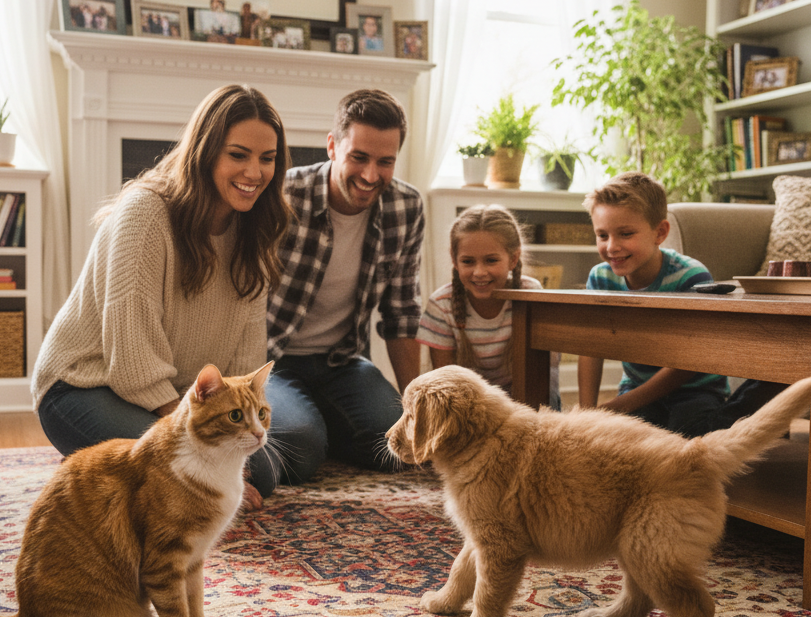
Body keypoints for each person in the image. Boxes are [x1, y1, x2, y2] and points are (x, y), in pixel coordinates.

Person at [31, 84, 291, 508]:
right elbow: (131, 360)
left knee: (262, 472)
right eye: (238, 155)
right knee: (191, 478)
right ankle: (90, 464)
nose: (254, 173)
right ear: (207, 152)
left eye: (267, 159)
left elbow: (245, 362)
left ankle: (105, 463)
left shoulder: (254, 230)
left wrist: (229, 443)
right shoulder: (146, 212)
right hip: (83, 385)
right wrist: (211, 457)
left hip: (180, 397)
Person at [249, 88, 423, 491]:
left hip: (343, 362)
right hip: (272, 359)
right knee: (302, 452)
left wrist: (413, 410)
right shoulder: (283, 195)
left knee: (396, 449)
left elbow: (401, 314)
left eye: (385, 162)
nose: (370, 175)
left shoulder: (406, 207)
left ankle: (318, 420)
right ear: (332, 146)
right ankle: (312, 427)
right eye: (358, 157)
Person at [577, 172, 781, 435]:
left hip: (695, 388)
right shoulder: (600, 278)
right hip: (637, 386)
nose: (612, 246)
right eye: (602, 235)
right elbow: (589, 345)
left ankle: (753, 403)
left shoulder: (692, 277)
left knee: (691, 441)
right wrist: (584, 416)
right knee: (624, 442)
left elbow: (688, 365)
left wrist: (620, 405)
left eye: (625, 234)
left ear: (660, 232)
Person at [417, 204, 553, 402]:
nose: (479, 272)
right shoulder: (441, 305)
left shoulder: (531, 294)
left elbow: (541, 373)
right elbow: (445, 382)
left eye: (490, 260)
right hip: (466, 401)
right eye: (468, 262)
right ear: (455, 260)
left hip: (521, 398)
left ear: (513, 259)